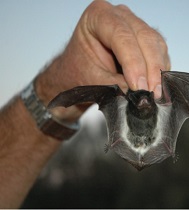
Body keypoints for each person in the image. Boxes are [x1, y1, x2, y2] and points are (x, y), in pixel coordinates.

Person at [0, 0, 170, 208]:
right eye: (142, 99)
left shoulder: (155, 105)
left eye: (147, 99)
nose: (144, 101)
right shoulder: (123, 98)